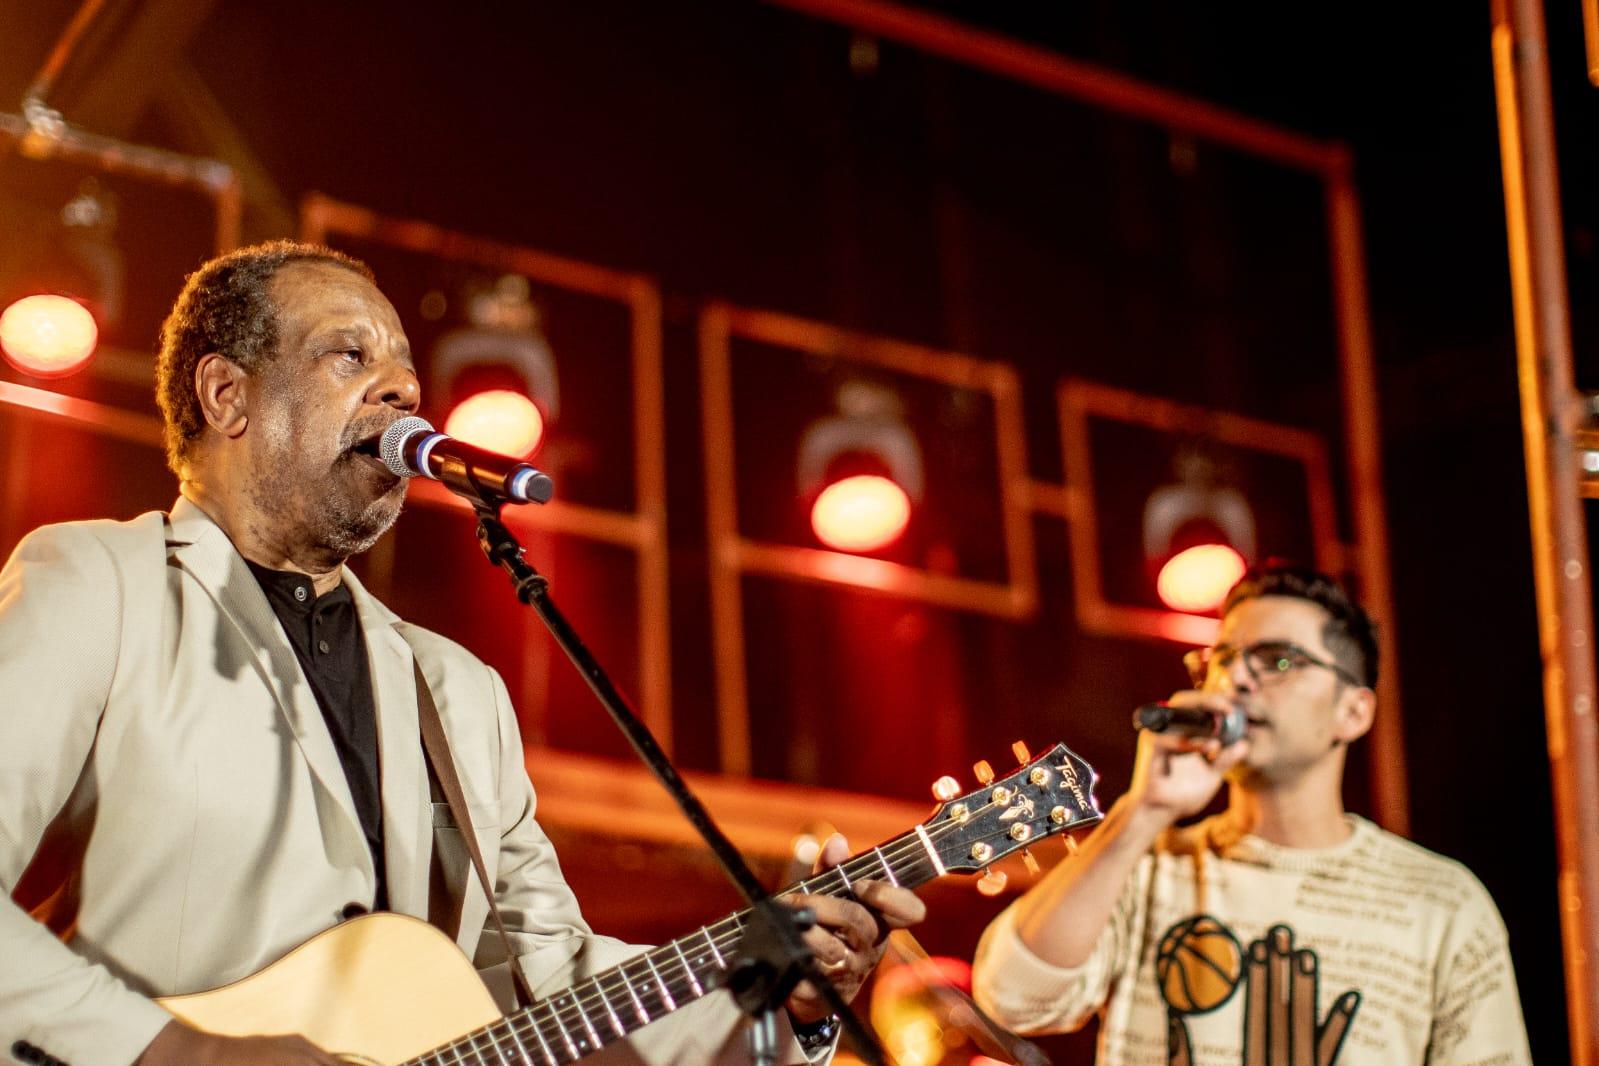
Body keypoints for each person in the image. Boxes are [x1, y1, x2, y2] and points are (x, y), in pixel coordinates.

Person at [0, 240, 925, 1065]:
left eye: (404, 367)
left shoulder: (456, 690)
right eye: (349, 355)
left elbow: (562, 990)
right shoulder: (100, 581)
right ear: (226, 394)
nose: (402, 388)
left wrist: (775, 997)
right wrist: (168, 1047)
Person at [972, 564, 1531, 1064]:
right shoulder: (1146, 869)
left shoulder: (1440, 902)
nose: (1235, 681)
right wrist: (1144, 812)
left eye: (1278, 660)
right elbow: (1013, 999)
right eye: (1223, 659)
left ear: (1353, 712)